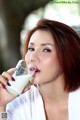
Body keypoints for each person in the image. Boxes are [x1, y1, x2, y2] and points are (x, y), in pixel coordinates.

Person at [0, 18, 80, 120]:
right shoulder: (19, 105)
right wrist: (1, 105)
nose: (32, 57)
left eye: (46, 50)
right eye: (31, 49)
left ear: (68, 57)